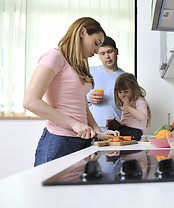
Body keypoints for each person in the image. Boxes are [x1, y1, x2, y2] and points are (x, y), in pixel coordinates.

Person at [23, 17, 120, 167]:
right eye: (96, 43)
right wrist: (74, 123)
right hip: (59, 142)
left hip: (82, 142)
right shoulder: (54, 57)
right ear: (82, 32)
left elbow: (81, 103)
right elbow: (30, 101)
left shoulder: (78, 65)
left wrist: (97, 132)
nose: (97, 50)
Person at [87, 36, 124, 131]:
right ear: (98, 55)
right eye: (102, 53)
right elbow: (76, 97)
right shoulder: (90, 72)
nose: (107, 56)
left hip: (116, 130)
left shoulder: (126, 77)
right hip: (92, 130)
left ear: (117, 51)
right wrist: (89, 97)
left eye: (110, 52)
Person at [107, 73, 151, 141]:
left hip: (135, 131)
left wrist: (128, 107)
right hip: (126, 129)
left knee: (115, 135)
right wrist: (117, 123)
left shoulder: (139, 100)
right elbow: (128, 120)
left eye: (126, 91)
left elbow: (143, 117)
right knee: (110, 133)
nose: (122, 95)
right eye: (119, 92)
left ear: (134, 89)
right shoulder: (126, 102)